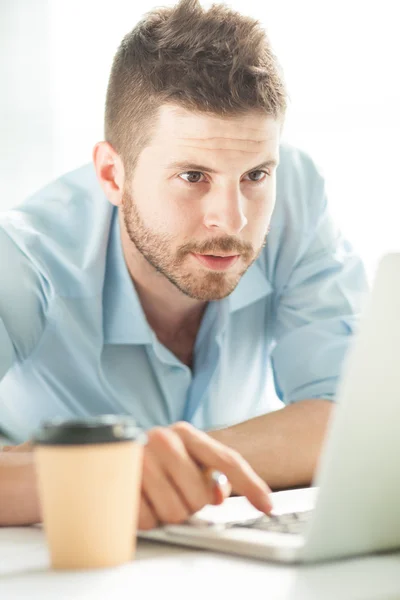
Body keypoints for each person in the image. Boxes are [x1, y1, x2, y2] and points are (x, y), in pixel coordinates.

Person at [0, 0, 367, 529]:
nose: (232, 219)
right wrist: (105, 476)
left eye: (255, 175)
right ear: (112, 175)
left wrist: (161, 465)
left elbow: (353, 418)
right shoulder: (23, 258)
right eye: (193, 176)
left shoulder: (296, 197)